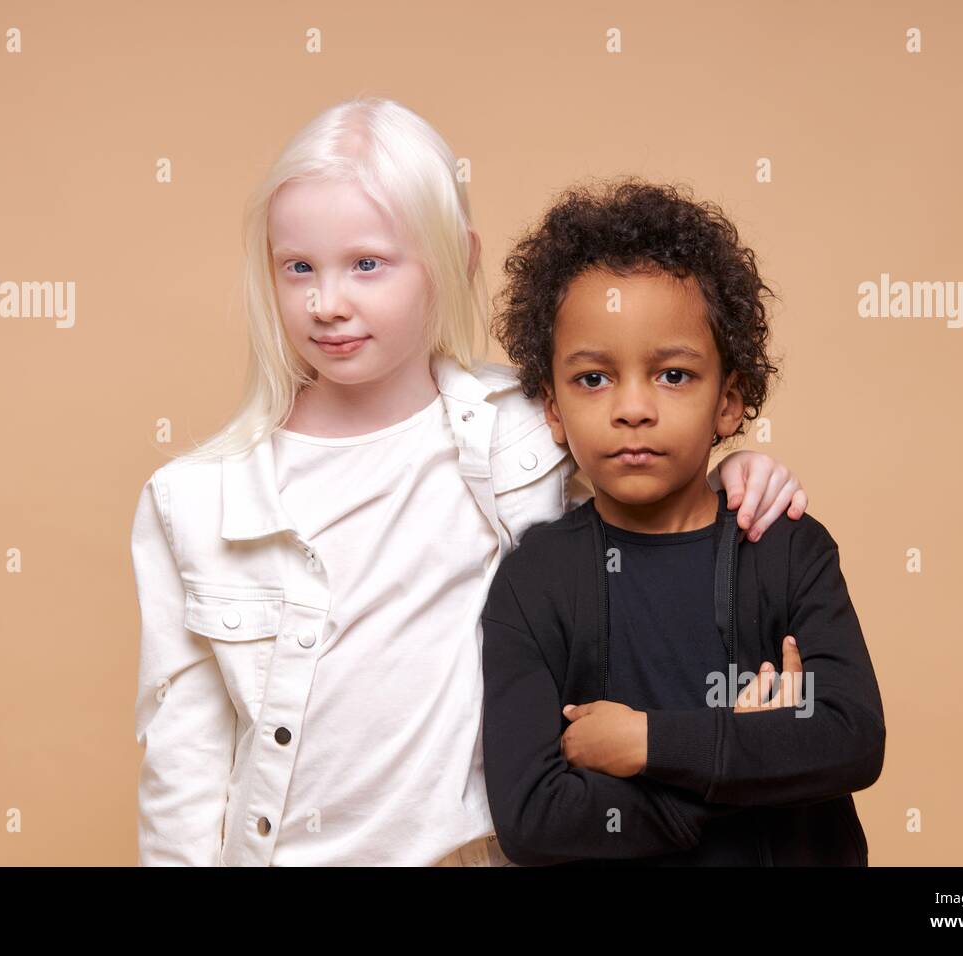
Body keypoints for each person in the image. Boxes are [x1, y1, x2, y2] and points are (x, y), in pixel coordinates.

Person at [129, 99, 809, 866]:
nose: (327, 303)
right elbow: (183, 768)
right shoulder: (193, 501)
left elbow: (649, 497)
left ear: (456, 257)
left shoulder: (528, 431)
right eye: (298, 268)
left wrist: (731, 471)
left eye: (367, 263)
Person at [482, 178, 885, 865]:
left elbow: (849, 739)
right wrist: (743, 756)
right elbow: (533, 819)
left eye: (672, 375)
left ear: (729, 402)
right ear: (551, 408)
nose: (632, 408)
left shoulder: (785, 547)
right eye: (592, 379)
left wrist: (646, 745)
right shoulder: (535, 581)